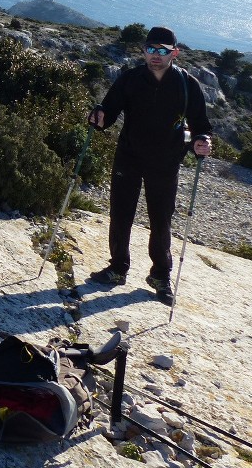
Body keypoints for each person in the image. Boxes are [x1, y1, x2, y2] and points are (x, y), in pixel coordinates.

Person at [88, 26, 212, 305]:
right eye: (150, 49)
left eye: (162, 51)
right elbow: (107, 115)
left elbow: (201, 126)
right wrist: (97, 117)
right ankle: (118, 268)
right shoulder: (129, 79)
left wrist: (202, 142)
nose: (155, 55)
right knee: (120, 214)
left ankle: (160, 276)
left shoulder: (187, 84)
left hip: (166, 163)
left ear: (174, 53)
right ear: (143, 50)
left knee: (161, 221)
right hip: (128, 157)